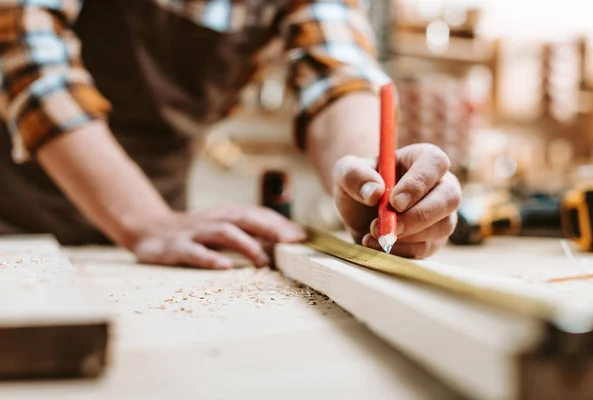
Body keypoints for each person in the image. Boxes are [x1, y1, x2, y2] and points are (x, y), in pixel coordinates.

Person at [0, 0, 461, 269]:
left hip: (155, 232)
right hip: (16, 221)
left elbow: (340, 74)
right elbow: (27, 55)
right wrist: (143, 221)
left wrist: (369, 182)